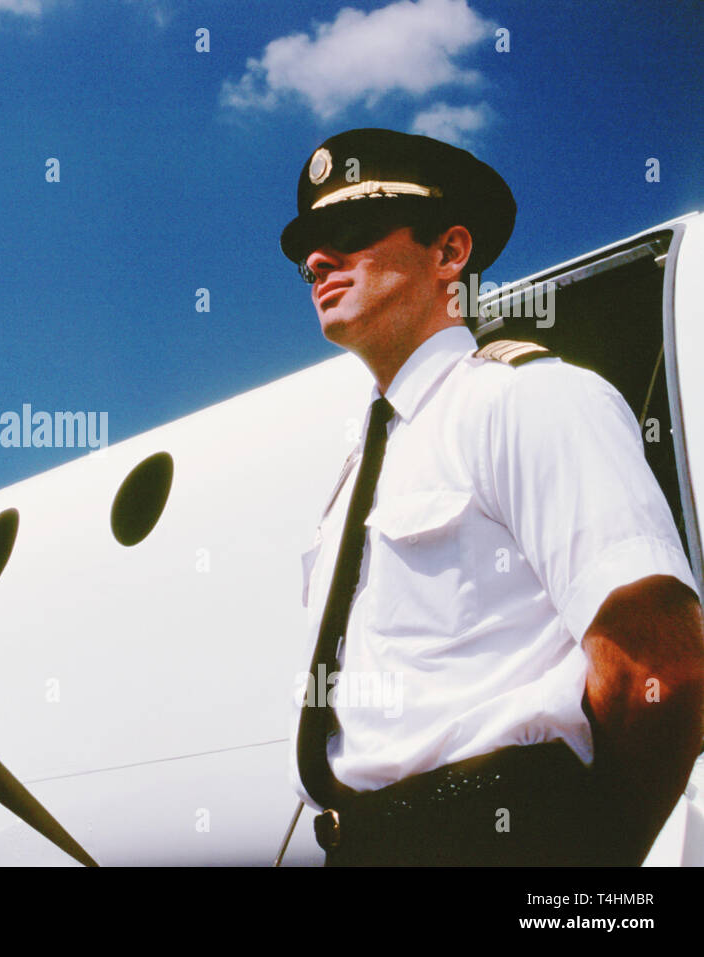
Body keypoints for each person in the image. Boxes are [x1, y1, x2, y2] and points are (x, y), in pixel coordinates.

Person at [283, 128, 704, 865]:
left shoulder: (529, 401)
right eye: (307, 248)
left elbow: (658, 666)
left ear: (449, 252)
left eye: (347, 231)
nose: (317, 259)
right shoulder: (353, 477)